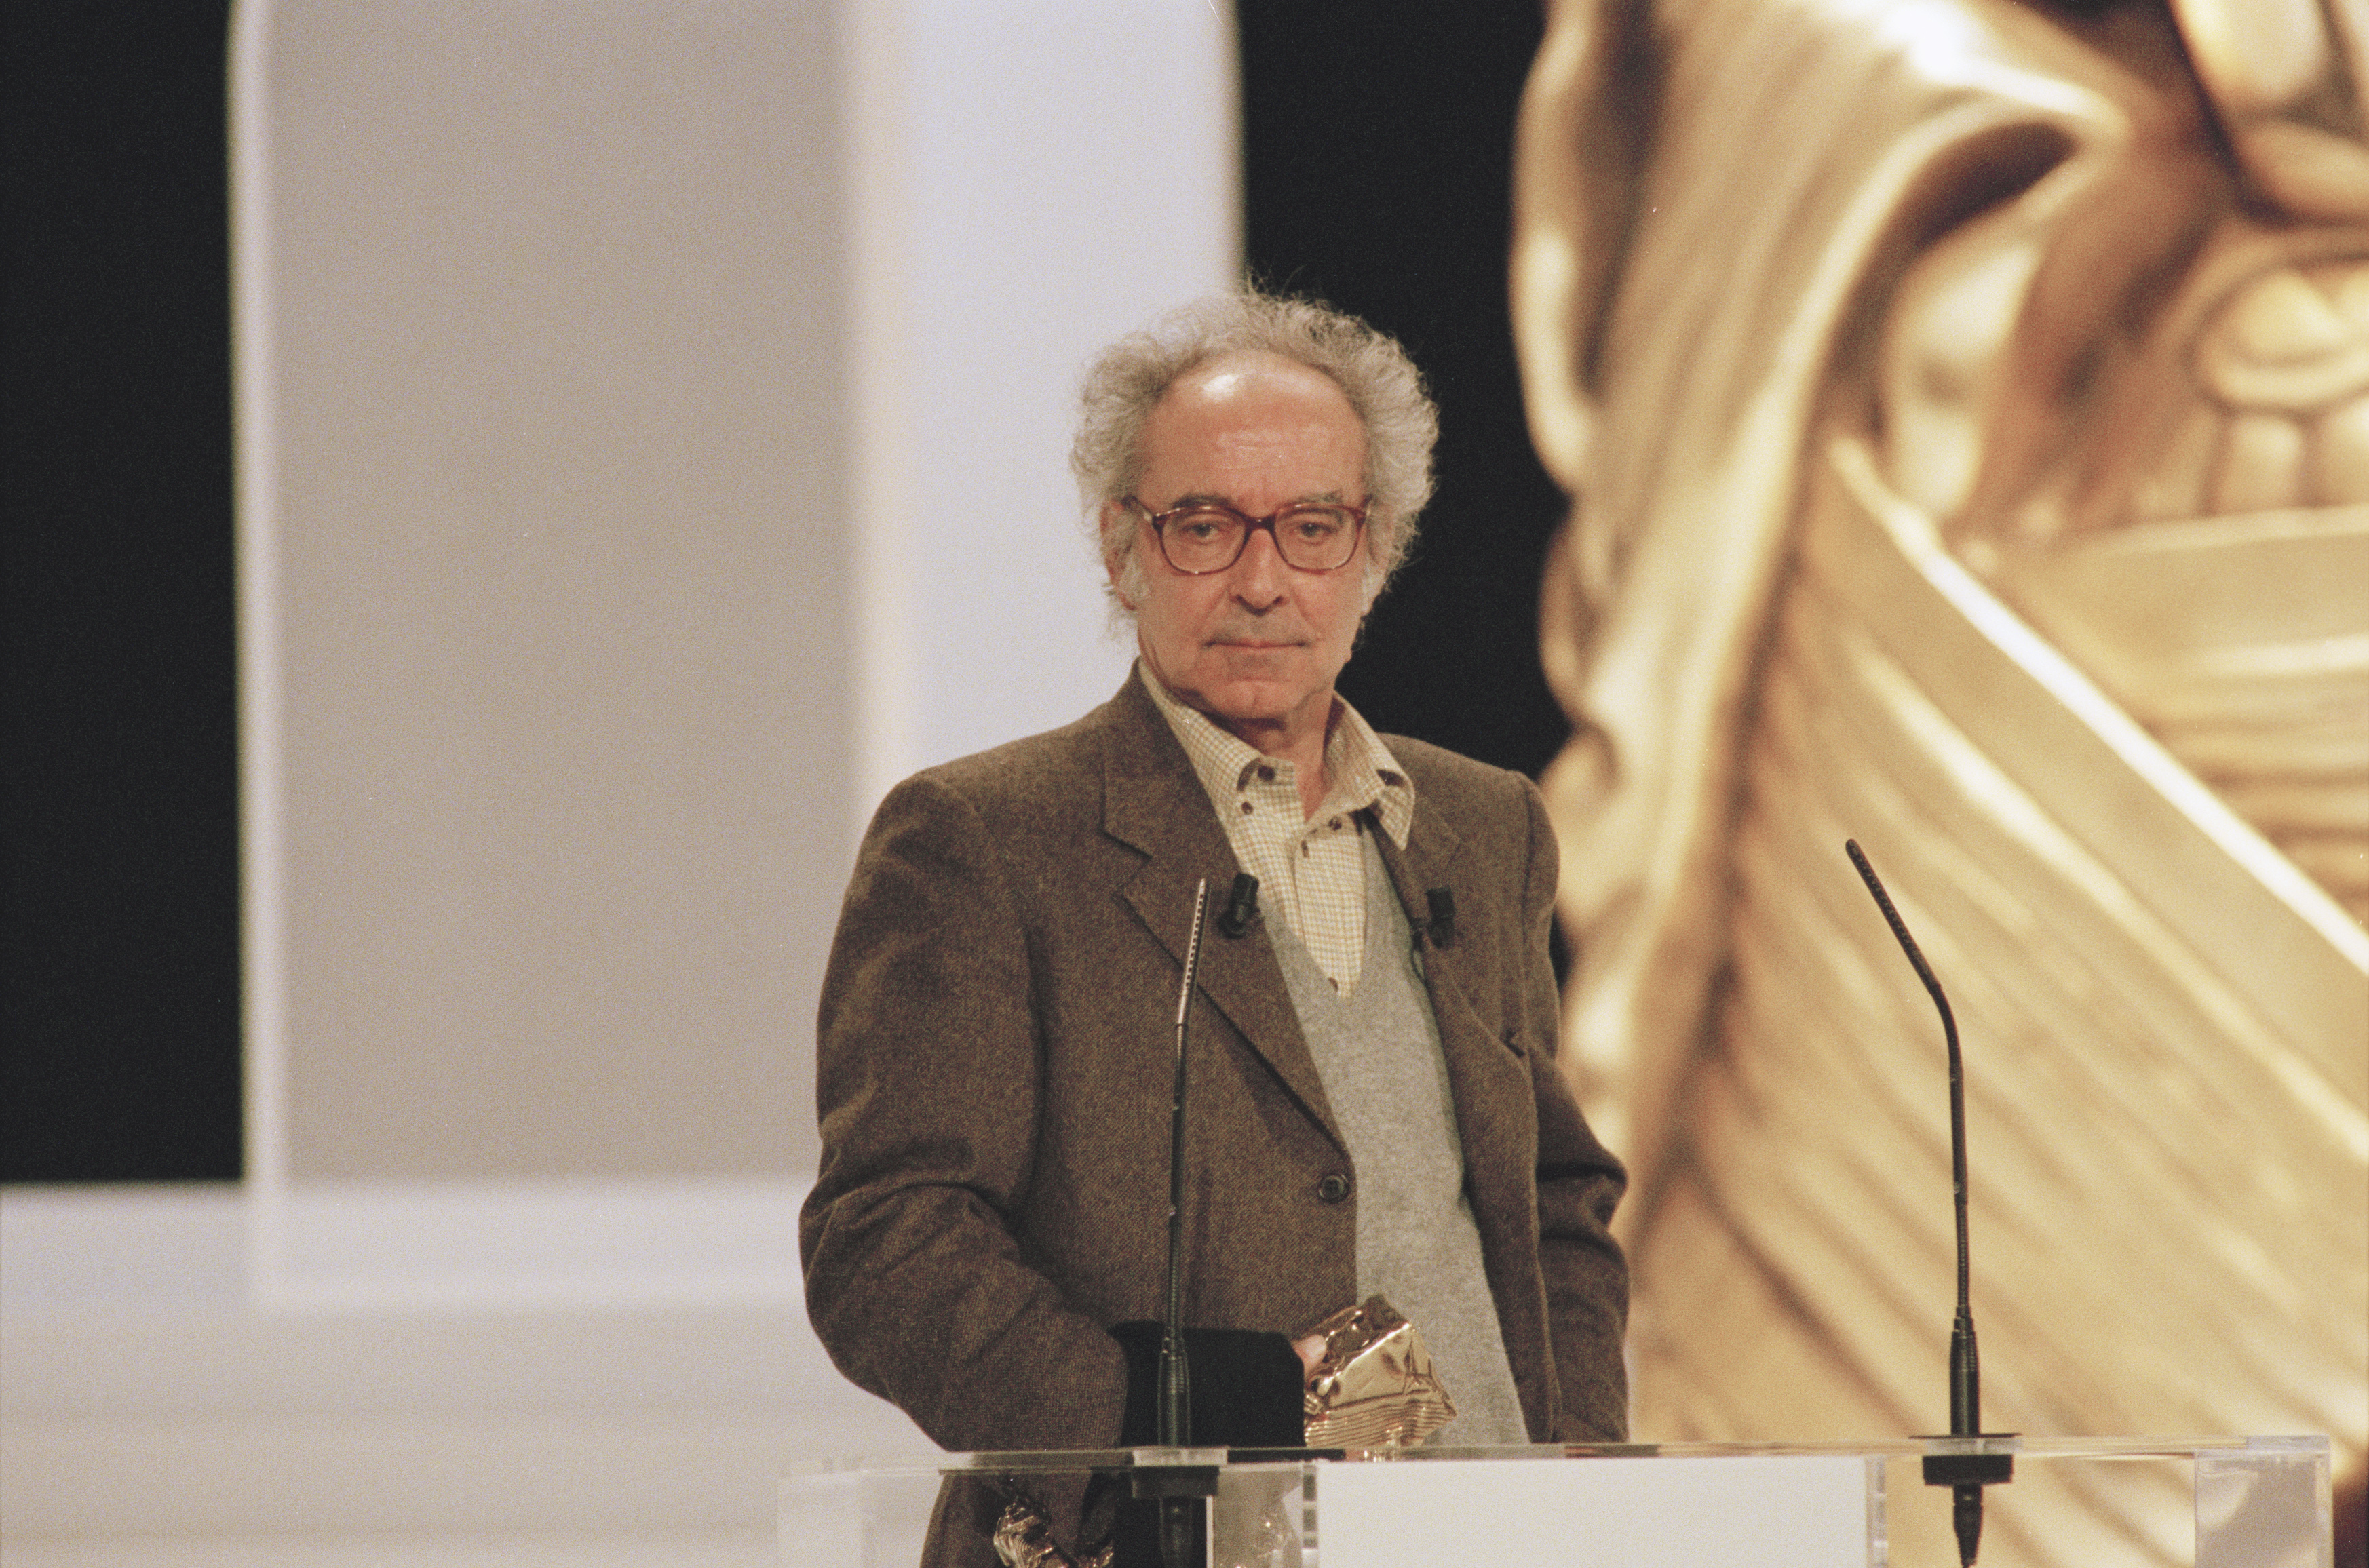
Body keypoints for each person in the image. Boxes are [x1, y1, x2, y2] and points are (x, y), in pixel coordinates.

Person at [802, 290, 1630, 1565]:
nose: (1260, 581)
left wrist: (1579, 1464)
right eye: (1205, 528)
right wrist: (1176, 1426)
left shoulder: (1482, 825)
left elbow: (1556, 1198)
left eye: (1310, 528)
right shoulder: (982, 840)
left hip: (1486, 1537)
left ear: (1373, 549)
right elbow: (887, 1242)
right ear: (1120, 547)